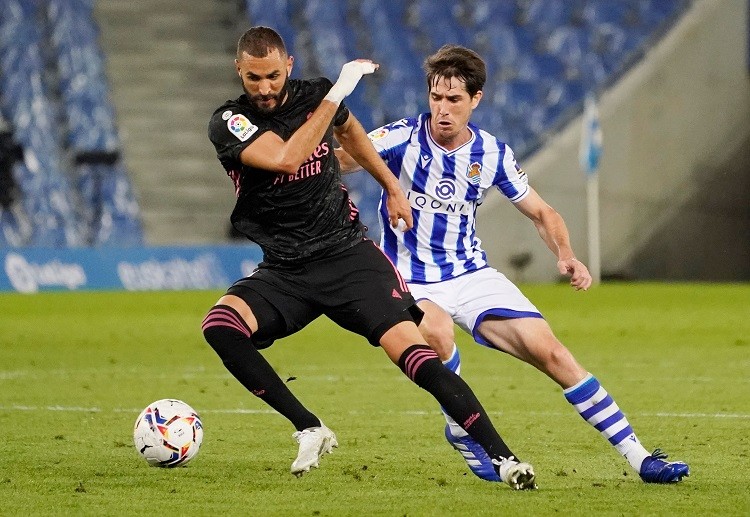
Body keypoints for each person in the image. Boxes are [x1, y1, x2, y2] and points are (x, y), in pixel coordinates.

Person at [336, 44, 690, 484]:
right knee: (438, 331)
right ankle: (460, 426)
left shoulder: (492, 154)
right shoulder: (400, 137)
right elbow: (340, 161)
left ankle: (641, 459)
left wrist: (567, 255)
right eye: (436, 98)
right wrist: (333, 114)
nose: (442, 110)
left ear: (476, 99)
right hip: (409, 279)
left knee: (554, 353)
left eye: (454, 100)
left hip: (472, 274)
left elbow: (543, 214)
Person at [203, 27, 537, 489]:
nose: (264, 88)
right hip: (286, 268)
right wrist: (337, 93)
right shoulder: (229, 121)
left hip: (348, 256)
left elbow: (352, 134)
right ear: (239, 69)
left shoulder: (316, 96)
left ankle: (504, 458)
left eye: (273, 76)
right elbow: (285, 158)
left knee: (414, 352)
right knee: (221, 327)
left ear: (289, 66)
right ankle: (309, 427)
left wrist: (392, 186)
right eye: (254, 77)